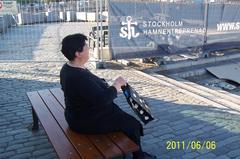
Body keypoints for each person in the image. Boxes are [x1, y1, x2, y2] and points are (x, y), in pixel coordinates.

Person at [60, 33, 156, 159]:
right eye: (86, 46)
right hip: (85, 120)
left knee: (122, 117)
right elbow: (103, 100)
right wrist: (116, 85)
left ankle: (134, 150)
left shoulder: (68, 68)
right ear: (78, 53)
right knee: (133, 125)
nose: (89, 48)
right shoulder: (78, 76)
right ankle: (139, 156)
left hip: (78, 114)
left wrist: (104, 85)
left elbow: (87, 90)